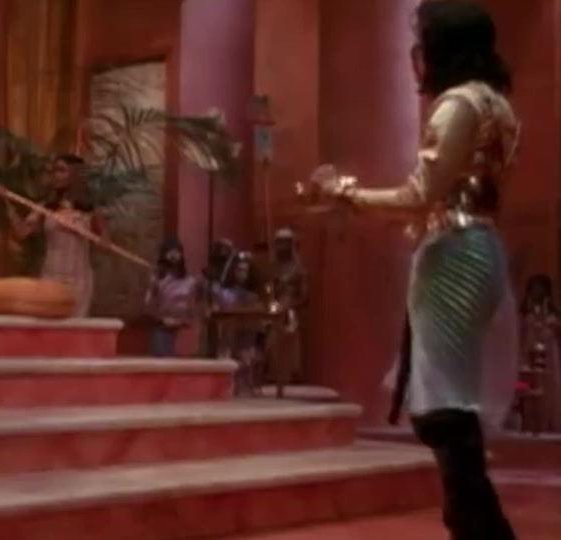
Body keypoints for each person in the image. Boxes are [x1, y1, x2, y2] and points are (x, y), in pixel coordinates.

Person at [300, 2, 519, 538]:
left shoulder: (458, 104)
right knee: (449, 402)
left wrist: (343, 191)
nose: (415, 54)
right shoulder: (495, 104)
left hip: (453, 253)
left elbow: (419, 195)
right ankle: (472, 522)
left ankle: (478, 526)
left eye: (422, 41)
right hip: (477, 247)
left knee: (445, 407)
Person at [8, 154, 106, 317]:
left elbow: (104, 242)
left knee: (74, 327)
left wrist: (81, 229)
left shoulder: (89, 210)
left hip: (79, 281)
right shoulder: (47, 207)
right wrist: (7, 203)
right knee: (49, 326)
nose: (56, 175)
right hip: (51, 278)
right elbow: (21, 233)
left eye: (61, 170)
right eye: (54, 171)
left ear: (75, 175)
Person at [212, 251, 263, 394]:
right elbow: (217, 311)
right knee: (227, 357)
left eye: (245, 270)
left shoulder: (254, 295)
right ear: (233, 271)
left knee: (246, 357)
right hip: (229, 332)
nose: (242, 273)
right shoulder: (224, 293)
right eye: (239, 270)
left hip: (246, 331)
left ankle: (244, 386)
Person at [144, 237, 200, 357]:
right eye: (170, 251)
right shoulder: (156, 280)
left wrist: (183, 322)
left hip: (184, 330)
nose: (174, 255)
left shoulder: (190, 281)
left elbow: (194, 308)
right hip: (162, 328)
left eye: (177, 251)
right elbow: (149, 305)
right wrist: (163, 319)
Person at [520, 274, 561, 432]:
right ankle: (529, 422)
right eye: (534, 287)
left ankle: (550, 422)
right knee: (527, 386)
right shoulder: (524, 312)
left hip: (549, 354)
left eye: (541, 287)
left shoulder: (551, 313)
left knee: (549, 386)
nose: (538, 291)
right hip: (527, 352)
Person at [270, 228, 307, 383]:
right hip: (274, 309)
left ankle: (290, 375)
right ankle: (274, 374)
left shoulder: (298, 269)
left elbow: (304, 295)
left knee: (290, 343)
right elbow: (268, 288)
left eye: (285, 243)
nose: (282, 247)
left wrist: (290, 304)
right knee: (272, 342)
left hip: (290, 310)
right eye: (280, 243)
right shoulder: (273, 267)